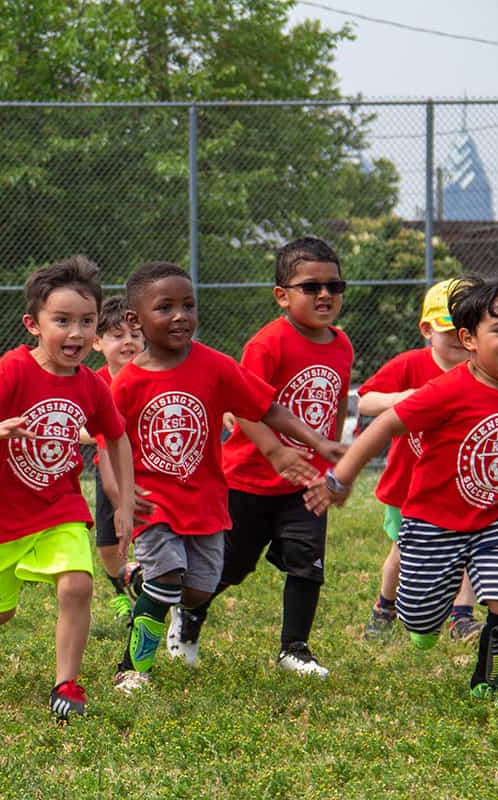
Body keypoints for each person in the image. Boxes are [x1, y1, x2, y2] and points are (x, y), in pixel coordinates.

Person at [307, 277, 498, 707]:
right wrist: (342, 476)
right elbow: (388, 423)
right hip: (431, 524)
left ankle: (490, 684)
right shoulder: (448, 389)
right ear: (468, 339)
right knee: (420, 616)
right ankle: (420, 621)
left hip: (495, 522)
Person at [111, 262, 344, 690]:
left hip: (205, 501)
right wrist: (122, 494)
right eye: (165, 307)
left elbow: (266, 407)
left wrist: (318, 440)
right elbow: (110, 444)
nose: (180, 315)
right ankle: (132, 669)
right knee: (166, 582)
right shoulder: (126, 384)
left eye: (188, 305)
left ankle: (138, 579)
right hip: (154, 501)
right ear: (134, 319)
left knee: (198, 590)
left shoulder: (214, 366)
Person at [0, 255, 135, 722]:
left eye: (86, 322)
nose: (76, 333)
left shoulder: (91, 384)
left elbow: (118, 436)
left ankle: (66, 684)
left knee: (77, 585)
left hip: (59, 506)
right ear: (33, 323)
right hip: (1, 515)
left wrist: (124, 501)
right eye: (62, 321)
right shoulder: (14, 368)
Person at [168, 236, 351, 678]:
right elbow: (244, 405)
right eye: (311, 287)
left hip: (306, 480)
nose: (325, 294)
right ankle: (188, 616)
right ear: (282, 296)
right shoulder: (268, 344)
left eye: (334, 285)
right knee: (230, 565)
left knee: (309, 562)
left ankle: (295, 649)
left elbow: (337, 404)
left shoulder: (342, 344)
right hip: (247, 480)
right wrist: (274, 450)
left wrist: (332, 462)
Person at [358, 279, 481, 643]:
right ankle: (385, 606)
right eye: (450, 331)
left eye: (469, 330)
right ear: (427, 330)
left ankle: (461, 617)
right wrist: (406, 397)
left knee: (469, 552)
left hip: (462, 487)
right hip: (408, 488)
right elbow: (364, 401)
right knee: (404, 553)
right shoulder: (410, 364)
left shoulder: (482, 370)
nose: (460, 339)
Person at [90, 295, 145, 626]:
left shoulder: (154, 375)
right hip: (108, 472)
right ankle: (124, 592)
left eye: (135, 335)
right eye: (117, 335)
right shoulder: (94, 382)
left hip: (149, 473)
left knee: (151, 540)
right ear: (97, 342)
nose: (128, 341)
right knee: (109, 551)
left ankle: (157, 589)